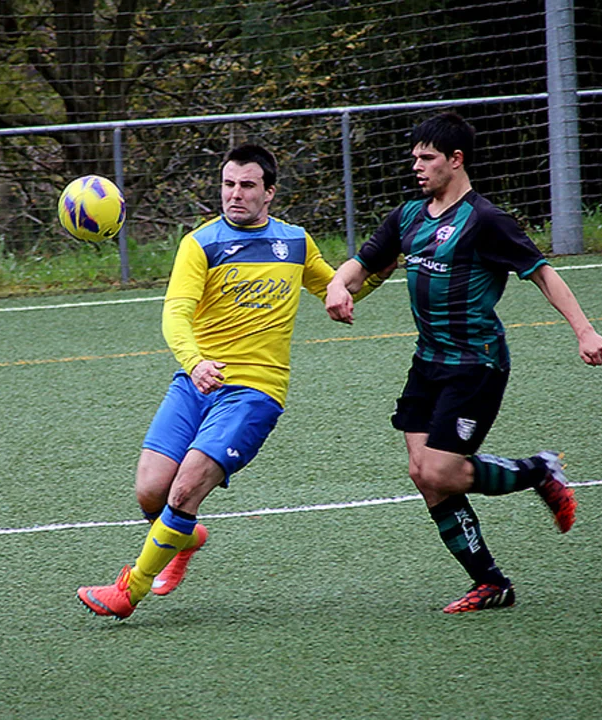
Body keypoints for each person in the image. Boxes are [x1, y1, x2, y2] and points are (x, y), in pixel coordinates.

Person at [77, 143, 386, 619]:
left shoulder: (295, 243)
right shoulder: (200, 243)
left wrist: (379, 266)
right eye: (228, 184)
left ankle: (128, 591)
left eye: (246, 185)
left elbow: (339, 288)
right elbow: (175, 315)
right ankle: (184, 536)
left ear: (269, 192)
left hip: (254, 392)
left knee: (184, 491)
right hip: (195, 383)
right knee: (151, 491)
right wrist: (195, 362)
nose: (235, 194)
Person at [325, 112, 602, 613]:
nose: (417, 166)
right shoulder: (408, 216)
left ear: (456, 160)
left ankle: (538, 471)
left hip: (475, 365)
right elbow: (364, 261)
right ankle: (491, 583)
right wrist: (337, 284)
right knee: (423, 474)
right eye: (414, 157)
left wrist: (584, 331)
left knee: (441, 470)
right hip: (427, 363)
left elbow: (542, 273)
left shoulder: (485, 220)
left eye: (427, 158)